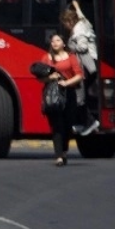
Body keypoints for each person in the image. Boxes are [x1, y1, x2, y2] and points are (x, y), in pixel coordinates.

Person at [42, 33, 84, 167]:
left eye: (58, 40)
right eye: (53, 41)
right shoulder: (46, 58)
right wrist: (51, 78)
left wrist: (67, 83)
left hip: (69, 94)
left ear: (63, 43)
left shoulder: (71, 57)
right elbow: (40, 78)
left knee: (68, 124)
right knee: (57, 125)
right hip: (53, 94)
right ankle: (59, 155)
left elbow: (79, 75)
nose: (55, 43)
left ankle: (64, 151)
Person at [61, 1, 100, 136]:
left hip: (86, 66)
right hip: (92, 65)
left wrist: (70, 48)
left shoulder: (78, 31)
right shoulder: (84, 22)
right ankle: (80, 123)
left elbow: (82, 47)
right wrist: (77, 6)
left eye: (65, 24)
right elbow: (81, 16)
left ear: (69, 22)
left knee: (79, 96)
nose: (65, 27)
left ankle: (88, 122)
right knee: (79, 95)